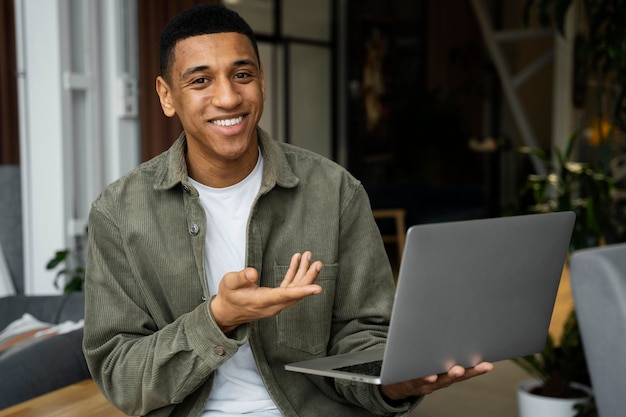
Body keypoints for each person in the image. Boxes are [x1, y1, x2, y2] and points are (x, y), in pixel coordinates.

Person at [82, 4, 493, 417]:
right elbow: (122, 377)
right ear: (167, 96)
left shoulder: (334, 192)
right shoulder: (119, 213)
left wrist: (393, 384)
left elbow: (366, 335)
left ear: (262, 81)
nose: (227, 97)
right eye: (201, 80)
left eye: (242, 75)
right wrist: (218, 318)